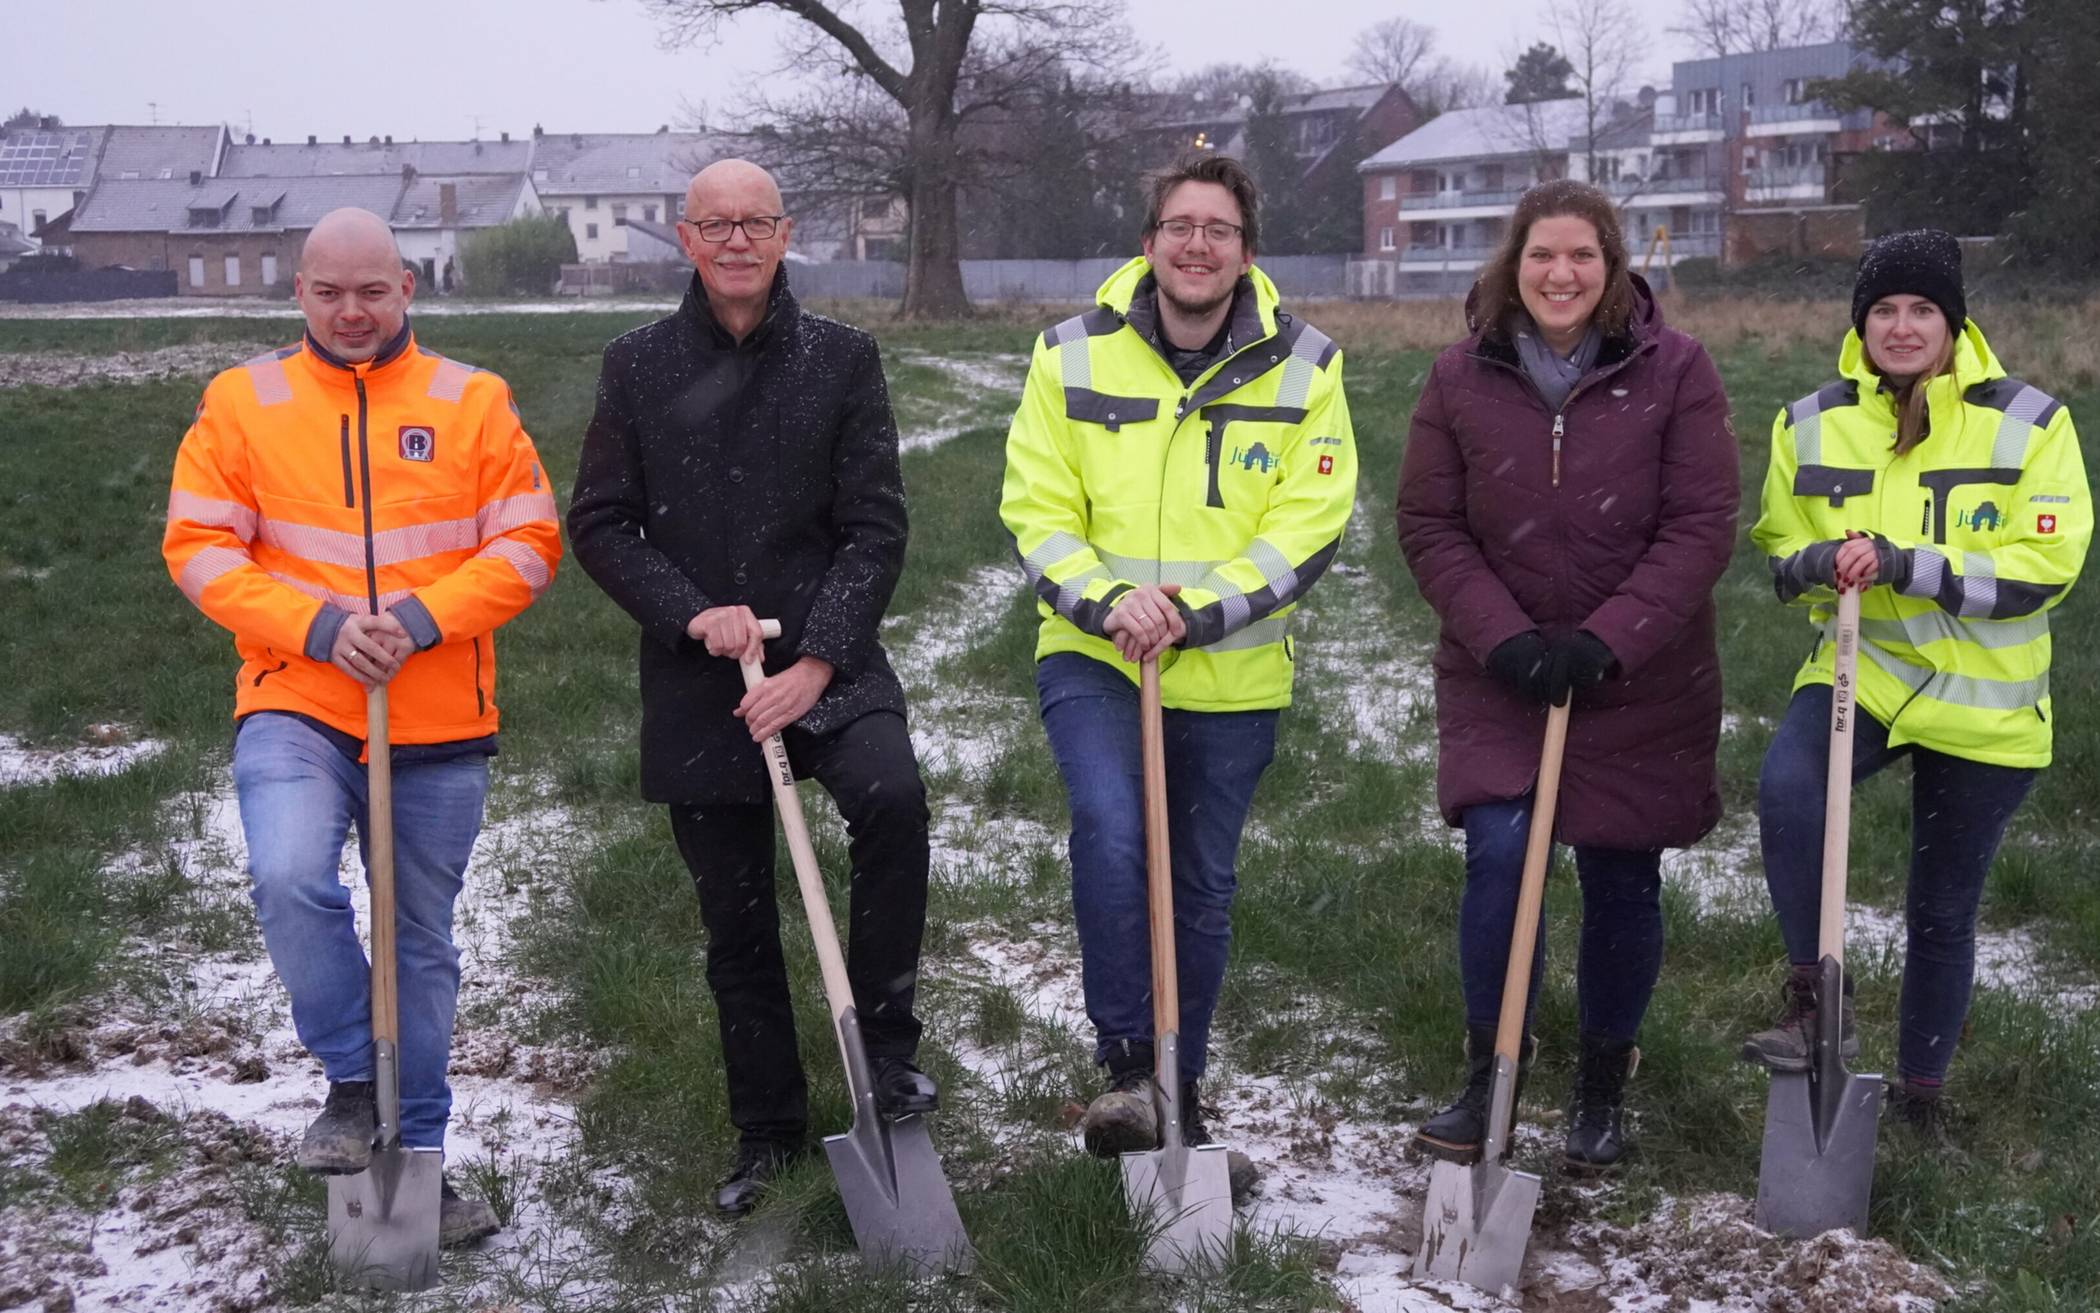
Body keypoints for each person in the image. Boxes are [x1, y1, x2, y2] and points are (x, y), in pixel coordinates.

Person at [162, 207, 561, 1247]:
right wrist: (323, 626)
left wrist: (422, 620)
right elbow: (200, 546)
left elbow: (528, 541)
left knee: (416, 941)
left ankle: (414, 1168)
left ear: (407, 289)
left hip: (437, 715)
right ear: (299, 292)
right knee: (290, 874)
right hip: (298, 697)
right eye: (329, 292)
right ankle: (352, 1076)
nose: (351, 311)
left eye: (371, 291)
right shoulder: (240, 402)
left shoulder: (473, 401)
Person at [567, 159, 936, 1217]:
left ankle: (889, 1053)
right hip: (705, 680)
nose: (737, 240)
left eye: (757, 222)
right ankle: (767, 1128)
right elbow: (599, 521)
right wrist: (692, 610)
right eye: (715, 223)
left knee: (894, 802)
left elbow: (876, 527)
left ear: (785, 235)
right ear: (686, 239)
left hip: (832, 659)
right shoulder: (636, 365)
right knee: (736, 917)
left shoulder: (842, 360)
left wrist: (817, 659)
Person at [999, 153, 1357, 1196]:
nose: (1197, 245)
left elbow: (1310, 525)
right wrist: (1112, 604)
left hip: (1233, 675)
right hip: (1097, 655)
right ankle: (1126, 1069)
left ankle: (1179, 1089)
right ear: (1148, 239)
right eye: (1179, 225)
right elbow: (1038, 506)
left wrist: (1198, 611)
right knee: (1112, 831)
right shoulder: (1070, 357)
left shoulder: (1307, 366)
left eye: (1219, 229)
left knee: (1199, 886)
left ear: (1248, 251)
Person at [1396, 180, 1739, 1171]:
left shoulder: (1675, 371)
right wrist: (1503, 636)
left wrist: (1609, 637)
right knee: (1502, 852)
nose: (1561, 274)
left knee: (1621, 870)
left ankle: (1600, 1085)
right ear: (1513, 264)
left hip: (1639, 676)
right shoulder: (1461, 376)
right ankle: (1489, 1066)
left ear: (1615, 265)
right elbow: (1430, 523)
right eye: (1543, 255)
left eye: (1583, 256)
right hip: (1501, 669)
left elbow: (1700, 522)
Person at [1744, 229, 2090, 1136]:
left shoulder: (2032, 424)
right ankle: (1816, 996)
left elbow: (2046, 564)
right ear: (1861, 323)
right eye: (1883, 310)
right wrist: (1817, 556)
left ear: (1953, 321)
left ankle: (1920, 1099)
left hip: (1986, 698)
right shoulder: (1807, 421)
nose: (1901, 327)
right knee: (1787, 789)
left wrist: (1912, 564)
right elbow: (1777, 551)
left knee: (1940, 908)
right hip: (1866, 671)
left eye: (1921, 310)